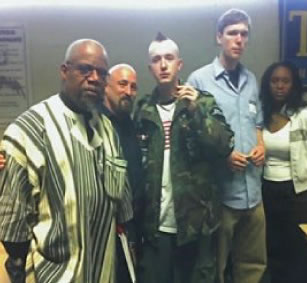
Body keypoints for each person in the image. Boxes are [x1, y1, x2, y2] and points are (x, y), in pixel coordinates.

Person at [0, 39, 132, 283]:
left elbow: (123, 209)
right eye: (85, 69)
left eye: (102, 73)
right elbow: (13, 233)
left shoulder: (108, 130)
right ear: (64, 71)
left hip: (104, 273)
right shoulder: (28, 131)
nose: (94, 78)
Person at [134, 32, 234, 283]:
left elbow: (224, 146)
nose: (163, 64)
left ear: (180, 64)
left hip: (196, 225)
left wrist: (196, 111)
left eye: (169, 58)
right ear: (150, 68)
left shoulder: (202, 102)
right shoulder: (143, 110)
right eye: (157, 59)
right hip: (156, 227)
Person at [187, 8, 267, 283]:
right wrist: (222, 158)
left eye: (244, 34)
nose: (239, 40)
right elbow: (191, 141)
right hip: (220, 195)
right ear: (219, 37)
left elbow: (257, 120)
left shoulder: (251, 79)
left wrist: (260, 144)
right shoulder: (199, 81)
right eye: (233, 33)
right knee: (216, 269)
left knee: (253, 266)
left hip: (253, 193)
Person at [259, 61, 307, 283]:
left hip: (299, 196)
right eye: (275, 81)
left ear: (293, 85)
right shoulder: (260, 115)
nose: (280, 86)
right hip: (268, 192)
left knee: (301, 255)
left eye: (285, 81)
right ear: (267, 85)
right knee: (274, 252)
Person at [101, 63, 143, 283]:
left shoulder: (131, 123)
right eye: (123, 84)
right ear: (106, 86)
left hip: (132, 224)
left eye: (134, 87)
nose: (128, 92)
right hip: (104, 226)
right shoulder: (93, 122)